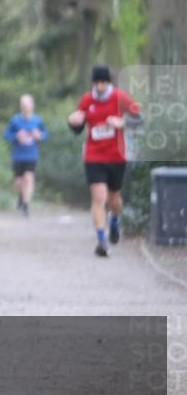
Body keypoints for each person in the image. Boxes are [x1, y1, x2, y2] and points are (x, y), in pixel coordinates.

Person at [67, 65, 142, 257]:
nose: (100, 86)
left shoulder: (120, 97)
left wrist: (122, 122)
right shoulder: (87, 100)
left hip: (116, 156)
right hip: (94, 156)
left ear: (108, 83)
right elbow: (78, 127)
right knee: (99, 197)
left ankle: (115, 219)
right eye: (97, 82)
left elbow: (139, 120)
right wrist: (72, 122)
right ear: (93, 83)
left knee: (114, 199)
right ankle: (101, 240)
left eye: (103, 82)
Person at [3, 94, 48, 217]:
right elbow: (6, 135)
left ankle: (26, 205)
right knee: (18, 182)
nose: (25, 107)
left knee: (28, 178)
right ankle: (21, 196)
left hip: (31, 155)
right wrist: (16, 136)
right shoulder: (15, 120)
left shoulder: (37, 120)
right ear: (20, 106)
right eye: (23, 105)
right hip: (18, 155)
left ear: (32, 105)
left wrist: (39, 135)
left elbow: (45, 134)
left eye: (27, 104)